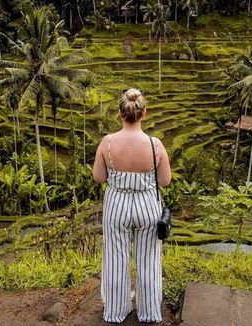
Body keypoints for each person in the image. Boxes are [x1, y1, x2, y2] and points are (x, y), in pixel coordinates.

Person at [93, 88, 172, 323]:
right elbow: (165, 181)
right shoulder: (155, 145)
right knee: (148, 260)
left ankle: (116, 311)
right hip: (147, 207)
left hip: (116, 206)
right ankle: (148, 312)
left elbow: (98, 177)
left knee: (116, 260)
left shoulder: (107, 143)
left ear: (120, 113)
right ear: (143, 113)